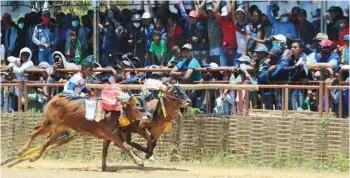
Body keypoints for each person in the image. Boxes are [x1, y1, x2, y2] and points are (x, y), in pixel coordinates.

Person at [199, 0, 223, 65]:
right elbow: (200, 8)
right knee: (213, 66)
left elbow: (216, 11)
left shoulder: (219, 19)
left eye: (211, 11)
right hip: (211, 48)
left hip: (218, 47)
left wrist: (213, 1)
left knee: (218, 67)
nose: (210, 13)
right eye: (208, 12)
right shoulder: (208, 19)